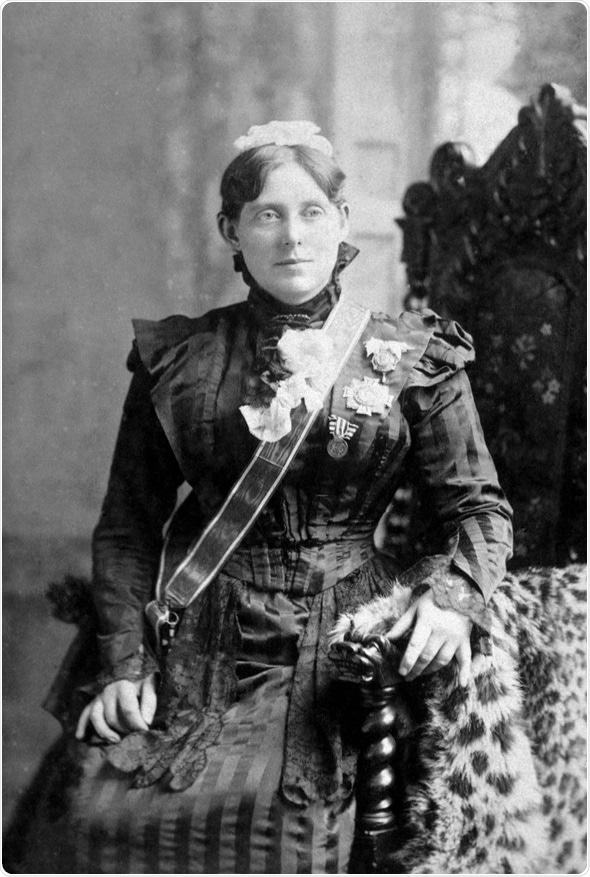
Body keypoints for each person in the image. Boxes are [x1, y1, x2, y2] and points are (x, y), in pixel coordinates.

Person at [7, 121, 514, 874]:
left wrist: (452, 597)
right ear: (231, 231)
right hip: (196, 632)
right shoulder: (182, 359)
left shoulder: (411, 358)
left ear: (342, 221)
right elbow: (127, 528)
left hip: (340, 646)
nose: (293, 236)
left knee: (287, 829)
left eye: (312, 212)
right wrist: (123, 665)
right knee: (86, 812)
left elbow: (480, 510)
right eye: (267, 214)